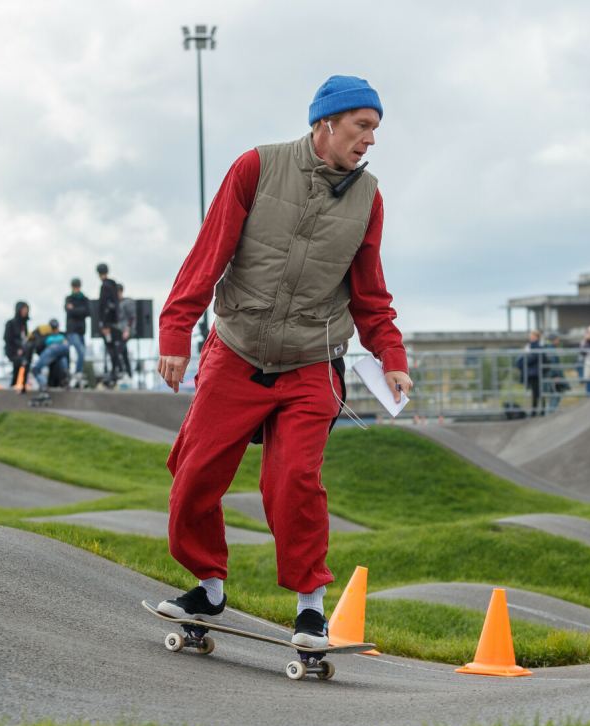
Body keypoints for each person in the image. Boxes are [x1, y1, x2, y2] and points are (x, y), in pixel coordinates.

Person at [153, 75, 411, 649]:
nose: (370, 139)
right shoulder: (257, 168)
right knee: (194, 473)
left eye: (375, 129)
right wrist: (176, 329)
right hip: (237, 351)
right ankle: (209, 585)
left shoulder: (369, 198)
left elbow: (370, 292)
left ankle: (310, 608)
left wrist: (390, 355)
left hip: (311, 363)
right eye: (361, 126)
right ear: (325, 123)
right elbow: (207, 254)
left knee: (294, 482)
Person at [96, 263, 122, 376]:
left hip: (108, 324)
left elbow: (107, 307)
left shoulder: (105, 286)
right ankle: (117, 370)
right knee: (114, 347)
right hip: (115, 322)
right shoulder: (113, 285)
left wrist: (105, 324)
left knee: (110, 347)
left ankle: (116, 370)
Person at [30, 319, 70, 388]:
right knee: (62, 360)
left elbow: (39, 346)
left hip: (52, 349)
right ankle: (65, 380)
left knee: (35, 370)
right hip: (63, 349)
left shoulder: (47, 335)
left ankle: (44, 388)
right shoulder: (63, 338)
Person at [64, 278, 89, 378]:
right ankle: (75, 373)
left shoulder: (84, 299)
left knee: (82, 353)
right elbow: (69, 311)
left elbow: (88, 312)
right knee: (79, 350)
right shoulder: (69, 298)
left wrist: (74, 309)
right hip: (71, 330)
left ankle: (78, 373)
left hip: (81, 331)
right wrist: (80, 311)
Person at [515, 330, 544, 416]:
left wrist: (524, 360)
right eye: (531, 336)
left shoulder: (536, 346)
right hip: (532, 373)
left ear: (537, 337)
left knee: (537, 392)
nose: (531, 338)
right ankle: (538, 410)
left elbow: (531, 358)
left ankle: (536, 411)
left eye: (533, 336)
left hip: (535, 373)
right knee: (536, 392)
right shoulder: (530, 346)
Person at [4, 302, 32, 392]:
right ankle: (15, 385)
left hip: (22, 351)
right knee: (18, 363)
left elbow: (25, 339)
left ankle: (20, 384)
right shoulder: (11, 323)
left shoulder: (24, 324)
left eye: (26, 310)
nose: (25, 311)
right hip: (12, 351)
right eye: (23, 309)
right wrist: (16, 350)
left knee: (24, 363)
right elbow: (7, 339)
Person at [110, 283, 136, 378]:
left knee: (118, 351)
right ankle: (129, 374)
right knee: (124, 353)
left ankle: (116, 372)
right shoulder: (117, 303)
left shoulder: (127, 302)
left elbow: (132, 317)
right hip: (120, 331)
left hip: (126, 330)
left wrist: (127, 330)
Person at [541, 333, 568, 414]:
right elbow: (552, 363)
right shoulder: (551, 349)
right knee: (554, 397)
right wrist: (555, 375)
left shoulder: (548, 348)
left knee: (553, 397)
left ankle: (549, 414)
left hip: (550, 376)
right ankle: (549, 415)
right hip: (553, 377)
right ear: (555, 340)